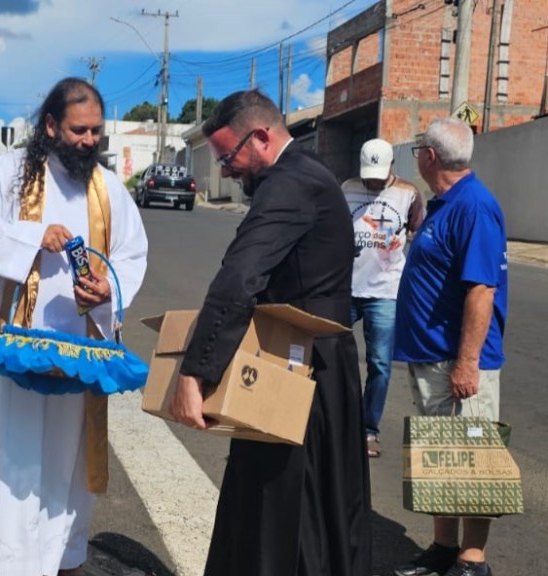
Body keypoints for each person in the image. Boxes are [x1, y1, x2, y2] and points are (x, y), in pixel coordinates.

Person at [0, 77, 148, 576]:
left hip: (77, 358)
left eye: (97, 131)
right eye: (79, 130)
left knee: (63, 466)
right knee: (11, 463)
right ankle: (3, 561)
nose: (89, 141)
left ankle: (60, 557)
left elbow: (130, 254)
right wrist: (33, 236)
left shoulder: (107, 189)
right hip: (15, 352)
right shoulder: (11, 175)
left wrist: (108, 291)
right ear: (52, 125)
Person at [168, 89, 371, 576]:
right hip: (308, 361)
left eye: (228, 156)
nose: (225, 170)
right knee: (305, 516)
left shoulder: (290, 184)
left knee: (287, 524)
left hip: (299, 375)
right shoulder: (308, 176)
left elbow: (241, 276)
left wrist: (194, 373)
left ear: (260, 137)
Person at [392, 117, 508, 576]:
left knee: (474, 460)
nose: (418, 154)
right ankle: (443, 547)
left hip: (455, 364)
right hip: (431, 358)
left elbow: (482, 290)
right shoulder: (446, 204)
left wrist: (466, 363)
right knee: (441, 456)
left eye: (419, 147)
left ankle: (472, 559)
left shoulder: (474, 207)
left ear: (430, 157)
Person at [342, 138, 425, 458]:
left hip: (385, 293)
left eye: (378, 174)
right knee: (328, 356)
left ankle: (367, 430)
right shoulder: (346, 188)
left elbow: (420, 238)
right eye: (367, 174)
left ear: (391, 166)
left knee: (379, 365)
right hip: (345, 289)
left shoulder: (408, 193)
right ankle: (329, 421)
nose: (372, 181)